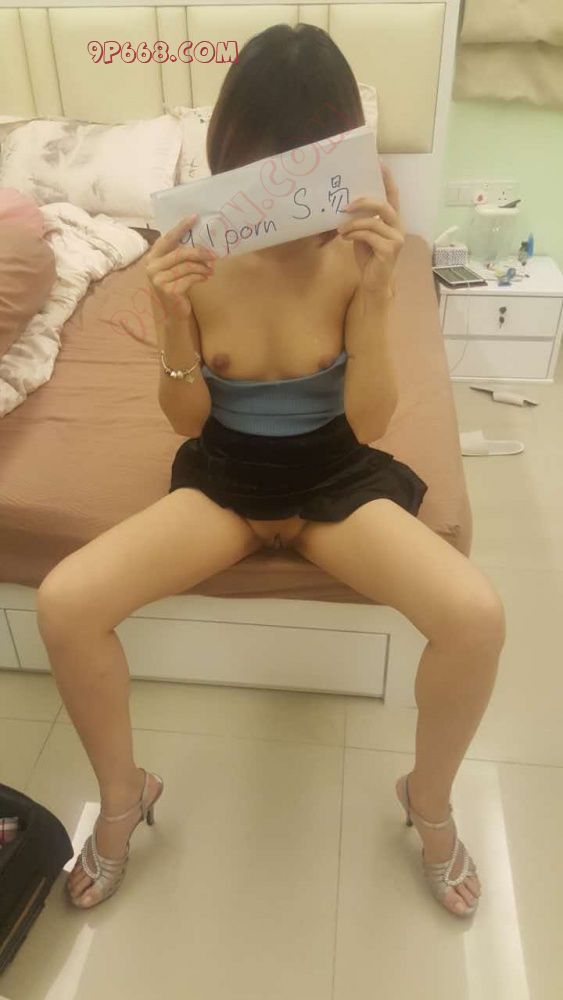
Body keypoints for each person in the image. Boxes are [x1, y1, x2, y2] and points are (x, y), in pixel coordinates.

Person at [37, 23, 505, 918]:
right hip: (225, 477)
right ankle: (125, 797)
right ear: (228, 151)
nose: (281, 188)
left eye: (304, 163)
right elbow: (185, 420)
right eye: (260, 162)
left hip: (334, 477)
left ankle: (428, 802)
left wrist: (376, 290)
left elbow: (369, 424)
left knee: (475, 618)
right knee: (65, 602)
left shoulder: (356, 255)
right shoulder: (194, 257)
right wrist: (170, 319)